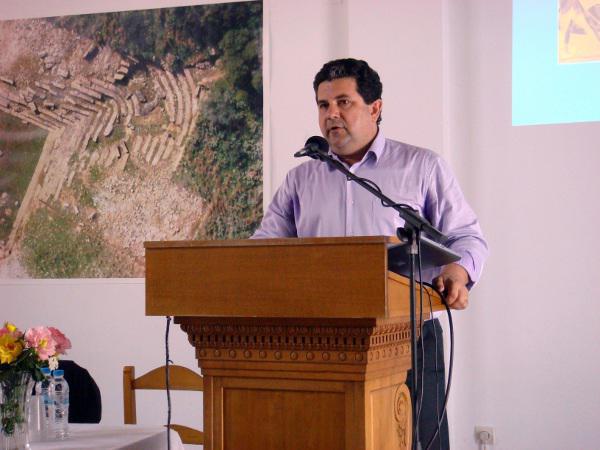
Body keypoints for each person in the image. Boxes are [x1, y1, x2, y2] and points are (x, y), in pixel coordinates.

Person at [252, 58, 488, 448]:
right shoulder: (300, 180)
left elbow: (466, 236)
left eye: (343, 102)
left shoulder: (421, 166)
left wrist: (457, 274)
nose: (331, 114)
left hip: (409, 336)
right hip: (322, 342)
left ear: (375, 107)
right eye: (323, 105)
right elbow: (263, 251)